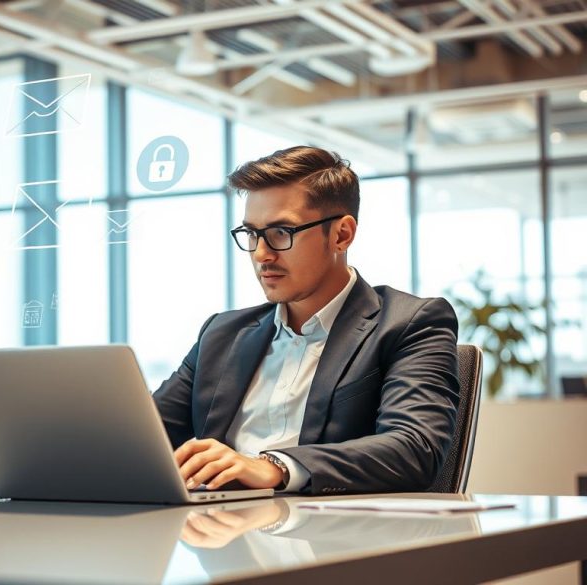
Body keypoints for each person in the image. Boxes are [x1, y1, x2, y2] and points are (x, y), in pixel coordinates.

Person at [152, 146, 459, 495]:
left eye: (282, 232)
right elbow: (142, 436)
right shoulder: (222, 334)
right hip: (217, 520)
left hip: (329, 524)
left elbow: (415, 448)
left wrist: (275, 466)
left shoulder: (410, 324)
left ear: (341, 235)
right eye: (252, 234)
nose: (261, 254)